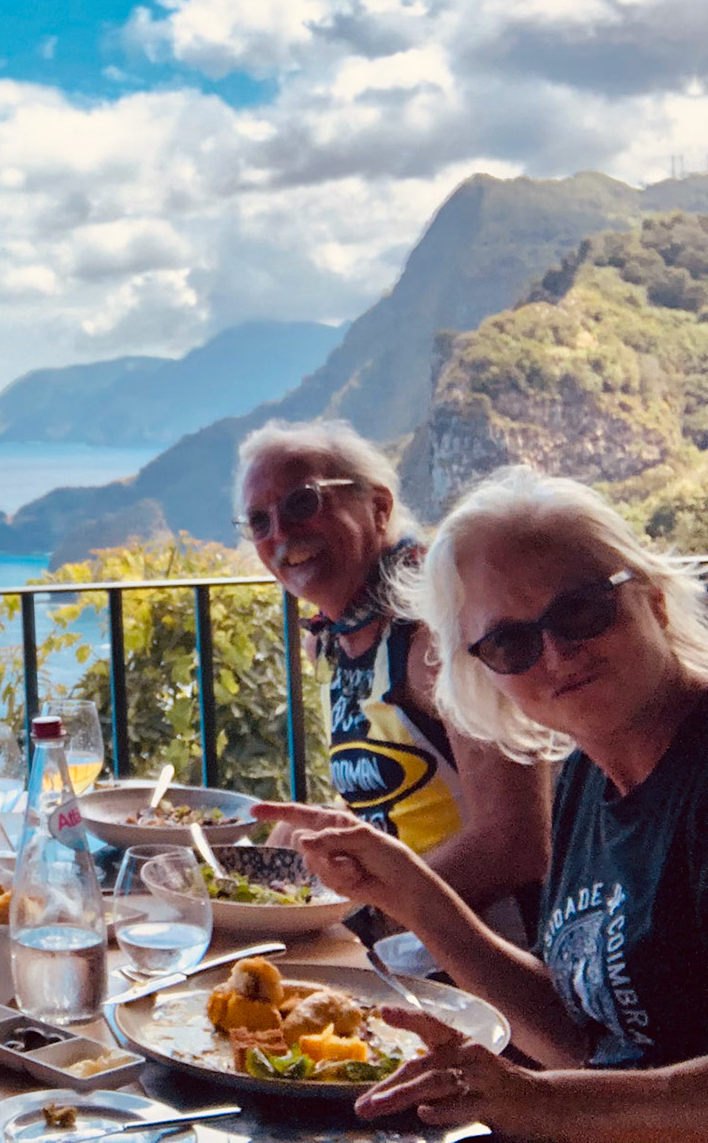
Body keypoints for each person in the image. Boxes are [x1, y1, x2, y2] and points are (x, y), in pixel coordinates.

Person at [259, 467, 708, 1139]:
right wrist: (409, 893)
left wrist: (543, 1104)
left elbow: (567, 1088)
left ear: (653, 599)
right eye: (510, 643)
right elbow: (579, 1038)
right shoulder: (587, 778)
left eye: (581, 610)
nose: (556, 652)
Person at [233, 421, 552, 939]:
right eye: (258, 521)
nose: (281, 534)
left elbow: (515, 844)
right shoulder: (334, 641)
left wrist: (360, 917)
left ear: (378, 506)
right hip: (403, 939)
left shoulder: (439, 635)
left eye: (302, 502)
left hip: (488, 952)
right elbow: (403, 794)